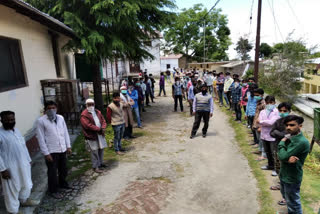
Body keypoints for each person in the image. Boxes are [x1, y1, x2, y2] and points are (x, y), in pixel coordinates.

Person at [0, 111, 38, 214]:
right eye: (7, 120)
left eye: (12, 119)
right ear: (1, 120)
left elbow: (23, 146)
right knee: (11, 189)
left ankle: (24, 200)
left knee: (25, 183)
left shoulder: (16, 130)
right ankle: (13, 210)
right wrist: (2, 169)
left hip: (23, 163)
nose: (10, 121)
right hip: (9, 167)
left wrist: (29, 160)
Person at [36, 101, 72, 199]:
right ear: (45, 110)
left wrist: (68, 146)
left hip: (62, 148)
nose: (51, 110)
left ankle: (63, 184)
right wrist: (46, 153)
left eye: (53, 108)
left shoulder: (60, 118)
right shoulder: (41, 121)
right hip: (51, 151)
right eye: (49, 108)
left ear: (56, 108)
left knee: (63, 169)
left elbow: (65, 132)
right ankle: (53, 190)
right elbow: (41, 138)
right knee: (52, 172)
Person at [278, 115, 310, 214]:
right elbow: (283, 156)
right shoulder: (290, 136)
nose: (288, 127)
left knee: (294, 203)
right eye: (287, 125)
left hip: (292, 177)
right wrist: (285, 157)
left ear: (300, 126)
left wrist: (281, 143)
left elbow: (282, 156)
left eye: (292, 125)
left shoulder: (301, 142)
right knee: (287, 198)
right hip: (284, 173)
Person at [270, 102, 292, 205]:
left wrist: (279, 134)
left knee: (286, 171)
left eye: (285, 111)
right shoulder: (278, 121)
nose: (282, 112)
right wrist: (282, 135)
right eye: (281, 111)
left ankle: (287, 197)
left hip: (287, 151)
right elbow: (271, 132)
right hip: (276, 148)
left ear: (289, 111)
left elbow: (289, 135)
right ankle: (281, 184)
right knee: (278, 168)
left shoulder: (292, 123)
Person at [80, 99, 107, 174]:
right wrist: (99, 129)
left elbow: (103, 120)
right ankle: (95, 166)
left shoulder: (97, 112)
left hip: (100, 134)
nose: (91, 106)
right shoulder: (84, 114)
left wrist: (104, 127)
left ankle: (101, 163)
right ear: (86, 105)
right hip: (92, 136)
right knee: (94, 151)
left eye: (92, 104)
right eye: (89, 104)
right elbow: (88, 126)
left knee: (101, 149)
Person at [258, 95, 280, 175]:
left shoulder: (277, 112)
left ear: (274, 102)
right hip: (264, 135)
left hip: (272, 137)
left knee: (274, 153)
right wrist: (263, 122)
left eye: (271, 102)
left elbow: (272, 123)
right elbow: (259, 120)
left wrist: (261, 122)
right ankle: (270, 165)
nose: (269, 104)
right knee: (268, 152)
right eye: (267, 103)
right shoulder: (262, 111)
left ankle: (276, 169)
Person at [252, 88, 267, 161]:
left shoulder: (264, 104)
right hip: (256, 123)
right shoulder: (258, 102)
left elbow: (265, 116)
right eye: (255, 95)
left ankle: (264, 155)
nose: (255, 97)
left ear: (262, 95)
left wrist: (261, 126)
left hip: (260, 125)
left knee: (262, 139)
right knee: (259, 139)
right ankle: (260, 150)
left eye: (257, 95)